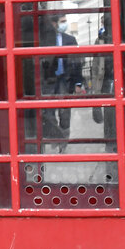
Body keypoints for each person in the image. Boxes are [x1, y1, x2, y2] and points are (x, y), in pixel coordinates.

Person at [40, 12, 84, 150]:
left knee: (65, 113)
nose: (64, 24)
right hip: (50, 80)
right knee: (49, 112)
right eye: (61, 21)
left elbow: (77, 63)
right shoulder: (43, 40)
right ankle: (56, 137)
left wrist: (78, 83)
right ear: (54, 23)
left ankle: (63, 143)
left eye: (65, 21)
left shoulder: (70, 40)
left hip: (66, 79)